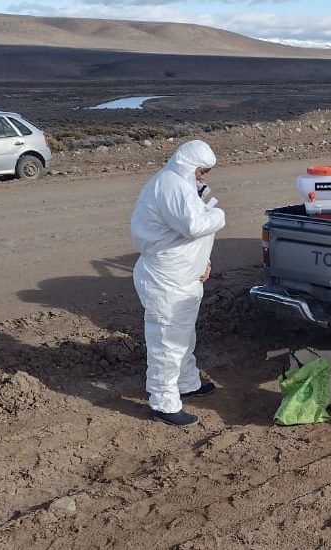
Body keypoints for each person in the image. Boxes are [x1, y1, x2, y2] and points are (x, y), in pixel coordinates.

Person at [130, 140, 225, 427]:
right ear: (189, 165)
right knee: (167, 341)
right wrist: (219, 215)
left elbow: (191, 233)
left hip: (183, 278)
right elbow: (194, 226)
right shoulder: (171, 186)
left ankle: (187, 382)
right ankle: (163, 401)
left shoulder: (182, 185)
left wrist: (203, 262)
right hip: (167, 280)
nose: (203, 176)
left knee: (183, 336)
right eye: (201, 170)